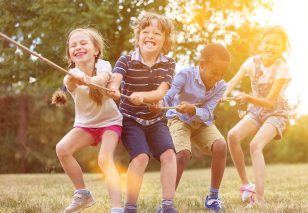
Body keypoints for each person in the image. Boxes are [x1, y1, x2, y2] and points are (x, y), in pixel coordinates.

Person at [107, 12, 178, 213]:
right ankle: (130, 207)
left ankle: (167, 206)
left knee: (169, 155)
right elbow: (116, 79)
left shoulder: (168, 63)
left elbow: (160, 92)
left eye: (157, 33)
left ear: (165, 40)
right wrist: (113, 88)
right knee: (141, 157)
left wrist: (146, 97)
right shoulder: (126, 60)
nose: (150, 36)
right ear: (138, 37)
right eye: (145, 31)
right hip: (130, 119)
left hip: (155, 120)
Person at [53, 28, 124, 213]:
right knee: (62, 149)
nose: (78, 47)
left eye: (83, 43)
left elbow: (102, 79)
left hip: (110, 122)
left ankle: (117, 208)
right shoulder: (70, 75)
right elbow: (69, 82)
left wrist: (88, 79)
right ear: (69, 54)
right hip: (86, 126)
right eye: (73, 45)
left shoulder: (104, 65)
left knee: (104, 159)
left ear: (96, 50)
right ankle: (83, 194)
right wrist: (76, 78)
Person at [224, 26, 291, 207]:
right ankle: (246, 184)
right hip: (256, 111)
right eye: (267, 42)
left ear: (283, 48)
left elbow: (270, 102)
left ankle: (259, 199)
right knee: (232, 136)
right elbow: (231, 82)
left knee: (255, 145)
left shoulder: (282, 68)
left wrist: (246, 97)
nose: (271, 46)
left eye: (276, 44)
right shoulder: (251, 62)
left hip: (277, 112)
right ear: (261, 45)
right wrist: (222, 94)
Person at [163, 43, 231, 213]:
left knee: (221, 146)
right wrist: (159, 105)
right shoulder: (185, 75)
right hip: (179, 119)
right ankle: (166, 203)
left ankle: (213, 197)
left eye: (221, 74)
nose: (216, 78)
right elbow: (169, 96)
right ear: (202, 64)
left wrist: (193, 109)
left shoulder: (221, 86)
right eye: (214, 73)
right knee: (182, 155)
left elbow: (208, 113)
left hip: (201, 123)